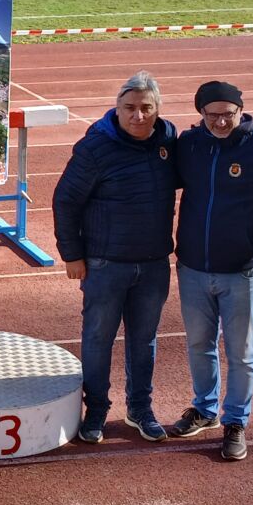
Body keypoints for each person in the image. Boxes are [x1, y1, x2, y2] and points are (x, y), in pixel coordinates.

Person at [171, 80, 253, 460]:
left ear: (240, 112)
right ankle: (204, 409)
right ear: (201, 114)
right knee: (199, 345)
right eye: (212, 115)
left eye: (228, 114)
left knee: (242, 352)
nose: (221, 122)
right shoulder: (190, 146)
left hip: (243, 272)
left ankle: (235, 421)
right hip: (193, 268)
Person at [52, 71, 177, 445]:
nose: (138, 115)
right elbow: (65, 201)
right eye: (130, 107)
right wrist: (72, 255)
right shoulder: (94, 149)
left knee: (144, 341)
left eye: (146, 108)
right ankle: (96, 411)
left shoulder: (168, 143)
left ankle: (140, 409)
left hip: (153, 264)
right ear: (117, 108)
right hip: (105, 264)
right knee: (97, 339)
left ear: (157, 109)